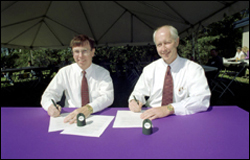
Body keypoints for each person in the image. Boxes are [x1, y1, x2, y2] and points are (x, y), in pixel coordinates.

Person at [128, 25, 211, 120]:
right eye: (159, 45)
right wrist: (134, 101)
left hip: (180, 118)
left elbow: (201, 99)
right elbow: (138, 92)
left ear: (177, 42)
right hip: (152, 117)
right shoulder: (149, 69)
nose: (163, 49)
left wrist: (168, 109)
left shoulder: (193, 69)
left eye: (167, 43)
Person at [41, 35, 114, 124]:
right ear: (72, 53)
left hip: (96, 115)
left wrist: (88, 108)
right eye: (76, 51)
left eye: (84, 51)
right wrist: (50, 106)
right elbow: (49, 94)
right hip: (71, 117)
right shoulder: (64, 72)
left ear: (92, 52)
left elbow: (108, 96)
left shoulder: (103, 73)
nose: (80, 56)